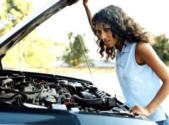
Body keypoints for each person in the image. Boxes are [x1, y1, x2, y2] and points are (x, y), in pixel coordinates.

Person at [83, 0, 169, 124]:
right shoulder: (119, 47)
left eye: (107, 29)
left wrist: (148, 110)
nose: (102, 36)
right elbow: (95, 28)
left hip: (155, 121)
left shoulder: (139, 48)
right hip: (136, 119)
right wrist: (85, 5)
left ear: (119, 27)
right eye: (99, 32)